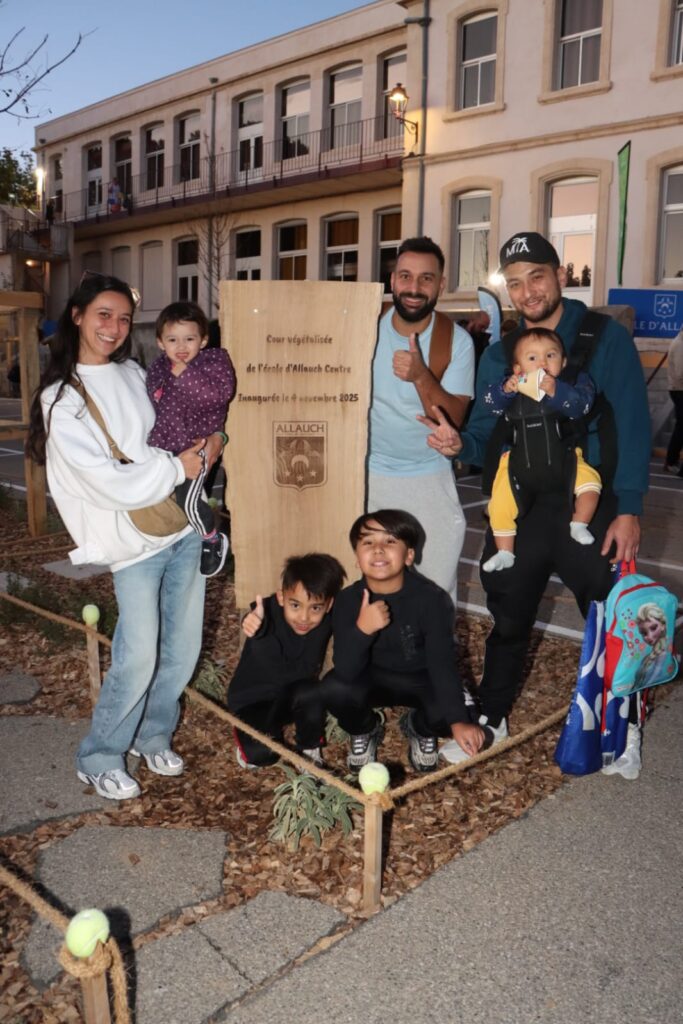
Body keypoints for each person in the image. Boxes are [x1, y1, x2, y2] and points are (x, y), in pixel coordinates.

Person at [421, 231, 650, 775]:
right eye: (515, 284)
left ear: (560, 276)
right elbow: (483, 432)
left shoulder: (602, 336)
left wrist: (631, 506)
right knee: (508, 616)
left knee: (614, 617)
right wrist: (460, 446)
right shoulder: (501, 352)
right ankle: (493, 716)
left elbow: (635, 421)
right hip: (521, 511)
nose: (527, 292)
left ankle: (622, 728)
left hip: (588, 506)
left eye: (537, 277)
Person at [26, 273, 223, 801]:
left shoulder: (135, 372)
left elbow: (186, 422)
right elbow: (104, 479)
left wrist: (213, 441)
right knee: (138, 653)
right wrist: (180, 468)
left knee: (181, 650)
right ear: (77, 316)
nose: (113, 327)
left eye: (121, 318)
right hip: (134, 542)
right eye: (102, 315)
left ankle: (152, 734)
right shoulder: (62, 399)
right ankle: (100, 754)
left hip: (180, 526)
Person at [319, 509, 484, 774]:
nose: (379, 549)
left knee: (459, 714)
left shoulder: (432, 600)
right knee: (333, 689)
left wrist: (457, 721)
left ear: (409, 556)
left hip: (421, 677)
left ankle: (419, 727)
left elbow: (442, 664)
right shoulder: (349, 600)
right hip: (371, 678)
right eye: (368, 542)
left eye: (390, 541)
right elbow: (346, 669)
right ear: (357, 557)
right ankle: (365, 729)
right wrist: (363, 629)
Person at [368, 237, 475, 606]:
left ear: (440, 285)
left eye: (426, 278)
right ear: (392, 279)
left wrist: (420, 375)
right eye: (406, 276)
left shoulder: (455, 341)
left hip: (428, 477)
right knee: (368, 588)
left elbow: (455, 417)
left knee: (435, 591)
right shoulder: (365, 327)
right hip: (367, 478)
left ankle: (432, 663)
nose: (414, 288)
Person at [482, 326, 601, 572]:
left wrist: (557, 391)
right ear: (517, 368)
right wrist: (504, 389)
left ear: (564, 361)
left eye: (551, 355)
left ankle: (579, 523)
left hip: (564, 458)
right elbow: (489, 405)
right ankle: (505, 551)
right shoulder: (511, 387)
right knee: (499, 505)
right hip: (517, 463)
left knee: (591, 483)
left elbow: (582, 406)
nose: (543, 363)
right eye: (532, 357)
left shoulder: (572, 383)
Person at [227, 553, 346, 769]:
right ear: (281, 598)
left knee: (313, 690)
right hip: (253, 700)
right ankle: (252, 733)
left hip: (291, 696)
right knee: (262, 755)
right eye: (295, 605)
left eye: (315, 608)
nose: (304, 617)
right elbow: (267, 658)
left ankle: (310, 750)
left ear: (328, 605)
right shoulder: (266, 615)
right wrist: (256, 629)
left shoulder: (328, 618)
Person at [146, 300, 236, 577]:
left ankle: (212, 539)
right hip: (164, 449)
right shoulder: (157, 367)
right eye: (173, 339)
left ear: (204, 339)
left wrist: (185, 374)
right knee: (170, 499)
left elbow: (220, 395)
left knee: (188, 500)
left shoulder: (214, 361)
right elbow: (151, 400)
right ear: (161, 342)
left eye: (189, 338)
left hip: (196, 446)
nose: (181, 346)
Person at [663, 327, 683, 477]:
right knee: (681, 428)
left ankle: (671, 460)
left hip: (678, 388)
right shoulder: (680, 344)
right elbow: (680, 373)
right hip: (680, 389)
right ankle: (671, 461)